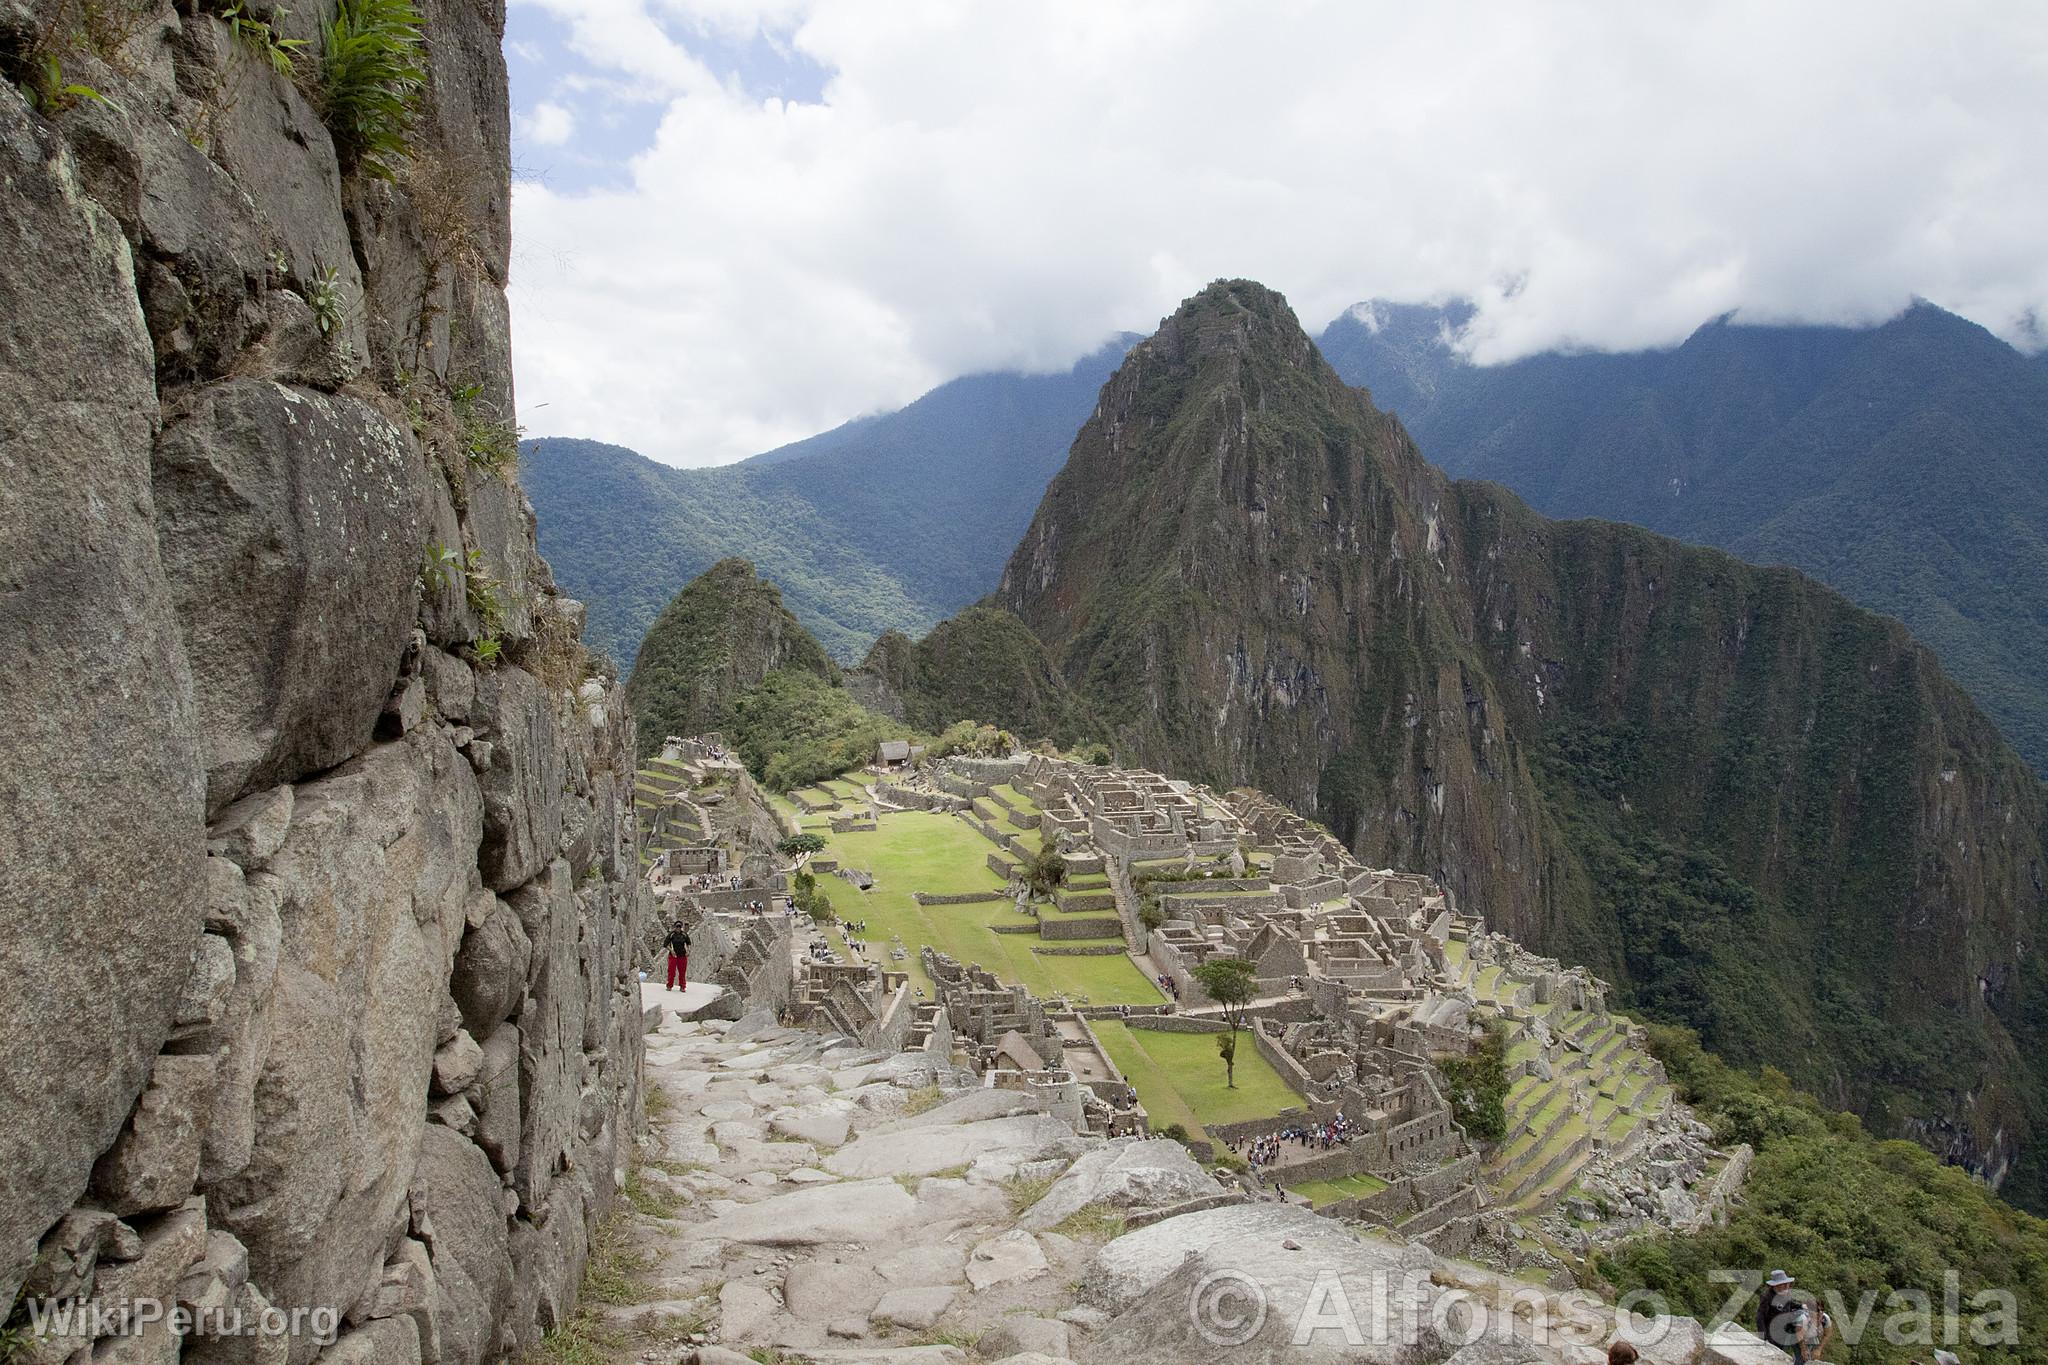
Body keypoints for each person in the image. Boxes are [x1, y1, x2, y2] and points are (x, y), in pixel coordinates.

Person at [1757, 1271, 1803, 1355]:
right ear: (1776, 1285)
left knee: (1780, 1354)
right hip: (1771, 1332)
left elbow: (1789, 1303)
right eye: (1783, 1284)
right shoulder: (1767, 1297)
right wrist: (1763, 1337)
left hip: (1783, 1331)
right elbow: (1760, 1317)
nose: (1786, 1286)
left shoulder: (1786, 1293)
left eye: (1787, 1283)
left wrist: (1801, 1306)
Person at [664, 920, 690, 991]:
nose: (678, 928)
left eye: (679, 927)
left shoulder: (684, 935)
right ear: (675, 927)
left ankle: (682, 986)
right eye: (677, 927)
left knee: (682, 971)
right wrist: (671, 950)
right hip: (674, 955)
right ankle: (669, 985)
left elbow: (688, 943)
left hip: (682, 955)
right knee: (671, 971)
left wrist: (688, 951)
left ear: (681, 927)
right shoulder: (671, 934)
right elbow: (666, 944)